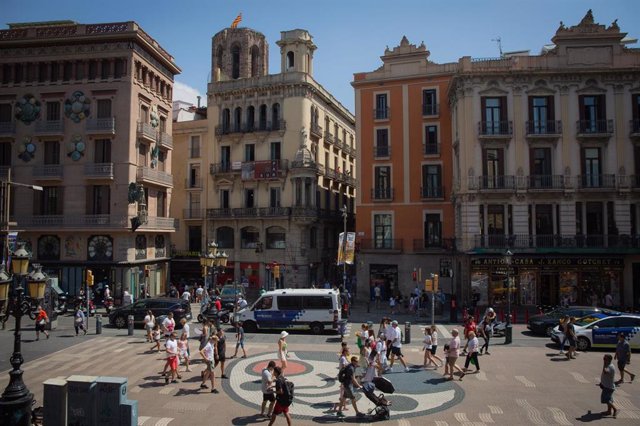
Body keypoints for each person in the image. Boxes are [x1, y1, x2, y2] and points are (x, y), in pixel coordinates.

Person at [597, 354, 618, 418]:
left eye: (605, 359)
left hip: (608, 387)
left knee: (605, 399)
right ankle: (609, 411)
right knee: (609, 399)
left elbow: (605, 371)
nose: (603, 360)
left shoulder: (610, 367)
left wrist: (604, 364)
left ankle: (615, 409)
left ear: (609, 360)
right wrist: (602, 383)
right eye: (603, 358)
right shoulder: (609, 365)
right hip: (608, 385)